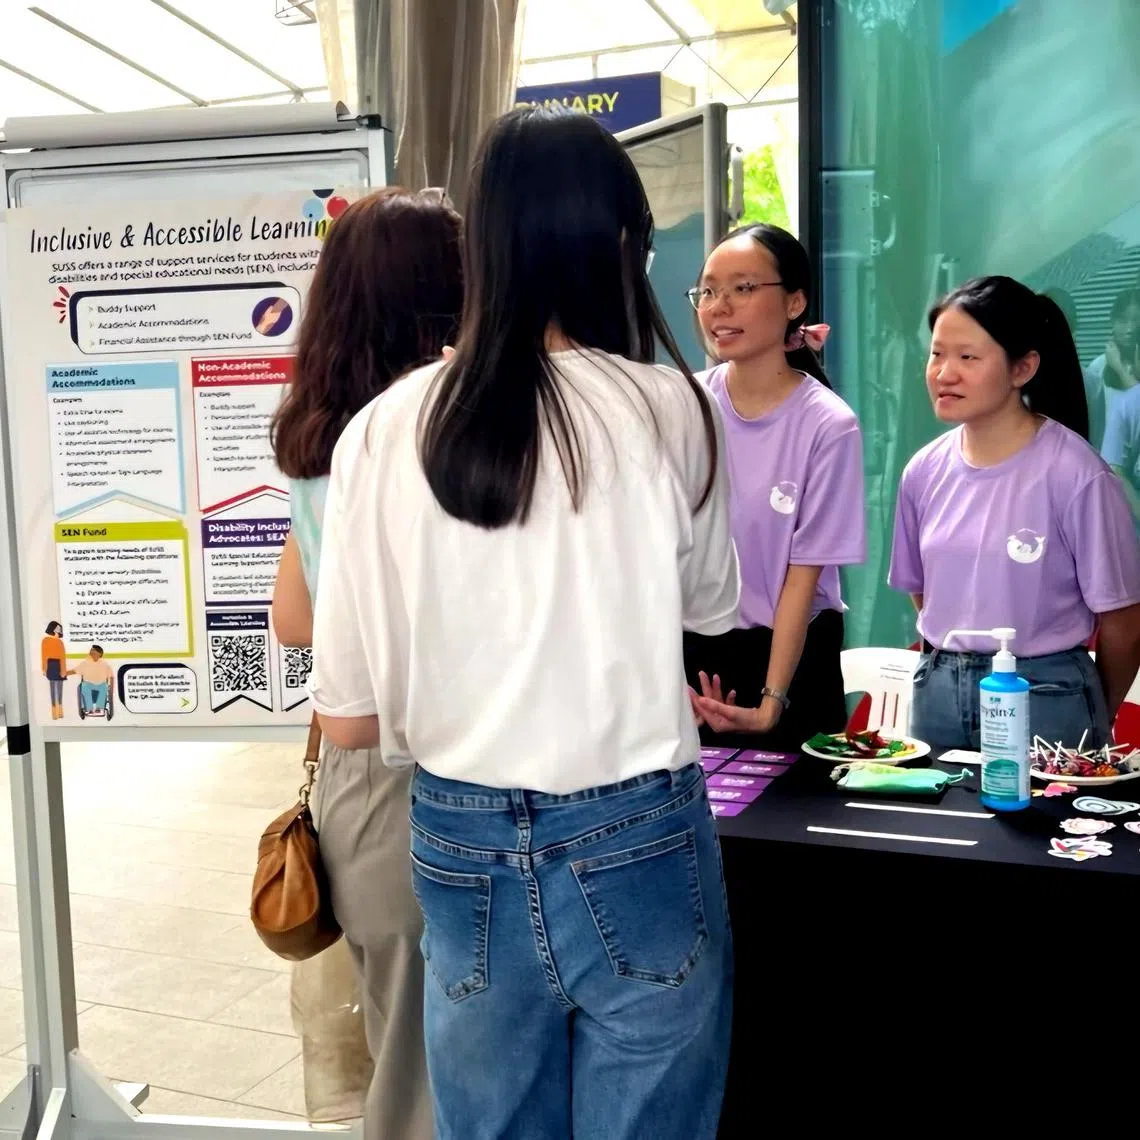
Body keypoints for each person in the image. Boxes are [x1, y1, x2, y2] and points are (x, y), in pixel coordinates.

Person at [308, 106, 739, 1140]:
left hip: (458, 843)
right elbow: (714, 608)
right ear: (620, 247)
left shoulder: (380, 432)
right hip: (638, 834)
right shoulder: (666, 406)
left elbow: (353, 721)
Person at [271, 187, 462, 1140]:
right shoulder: (436, 433)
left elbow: (293, 619)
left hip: (355, 781)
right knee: (450, 1065)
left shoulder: (314, 431)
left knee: (401, 1055)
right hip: (436, 761)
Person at [890, 275, 1140, 750]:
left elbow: (1124, 623)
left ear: (1022, 368)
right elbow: (924, 591)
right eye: (937, 353)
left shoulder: (1077, 473)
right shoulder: (922, 471)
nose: (944, 373)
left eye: (967, 357)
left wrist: (1089, 712)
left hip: (1047, 692)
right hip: (939, 690)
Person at [686, 224, 866, 752]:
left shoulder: (828, 424)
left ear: (795, 302)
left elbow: (802, 578)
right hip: (695, 664)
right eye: (709, 291)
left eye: (743, 288)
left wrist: (771, 703)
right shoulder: (686, 404)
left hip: (790, 663)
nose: (719, 307)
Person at [1084, 287, 1140, 451]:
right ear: (1112, 322)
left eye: (1136, 320)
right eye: (1123, 321)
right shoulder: (1097, 367)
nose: (1129, 329)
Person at [41, 621, 73, 720]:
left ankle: (60, 711)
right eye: (58, 628)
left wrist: (63, 670)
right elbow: (43, 655)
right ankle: (54, 713)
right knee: (52, 688)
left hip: (59, 665)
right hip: (50, 665)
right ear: (53, 628)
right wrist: (44, 668)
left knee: (59, 689)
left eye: (60, 628)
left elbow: (63, 657)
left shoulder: (60, 641)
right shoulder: (45, 640)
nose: (59, 629)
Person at [75, 645, 112, 713]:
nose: (92, 652)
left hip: (101, 685)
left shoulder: (105, 664)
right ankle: (89, 708)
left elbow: (110, 676)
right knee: (84, 686)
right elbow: (76, 670)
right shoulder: (85, 663)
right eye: (91, 651)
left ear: (99, 653)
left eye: (94, 651)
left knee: (104, 686)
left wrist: (111, 687)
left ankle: (99, 707)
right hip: (88, 685)